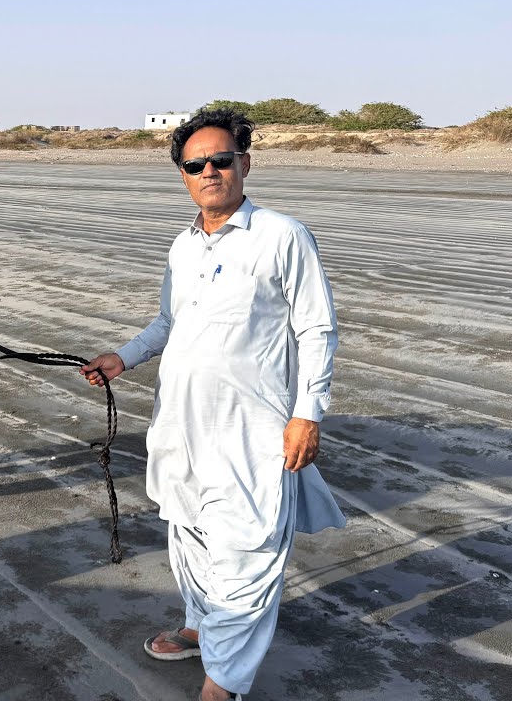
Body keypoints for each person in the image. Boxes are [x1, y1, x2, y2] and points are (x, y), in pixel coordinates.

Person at [80, 108, 346, 701]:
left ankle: (222, 685)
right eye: (195, 164)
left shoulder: (282, 235)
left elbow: (317, 329)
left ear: (244, 165)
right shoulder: (183, 245)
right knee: (190, 535)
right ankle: (201, 628)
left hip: (252, 433)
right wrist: (122, 357)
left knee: (246, 556)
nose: (209, 171)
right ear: (183, 176)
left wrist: (310, 412)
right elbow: (170, 322)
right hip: (181, 426)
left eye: (221, 160)